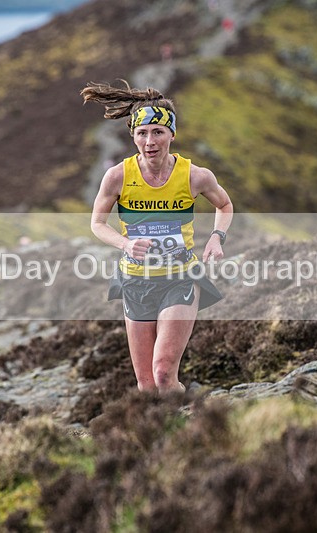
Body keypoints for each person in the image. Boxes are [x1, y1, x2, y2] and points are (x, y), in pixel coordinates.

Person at [82, 81, 233, 394]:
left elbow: (225, 204)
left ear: (172, 134)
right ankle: (176, 419)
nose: (150, 141)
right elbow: (97, 223)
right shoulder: (118, 176)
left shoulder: (195, 176)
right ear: (133, 136)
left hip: (180, 278)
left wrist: (216, 237)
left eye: (158, 132)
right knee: (147, 386)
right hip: (135, 281)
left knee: (163, 373)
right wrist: (126, 244)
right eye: (142, 133)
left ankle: (190, 420)